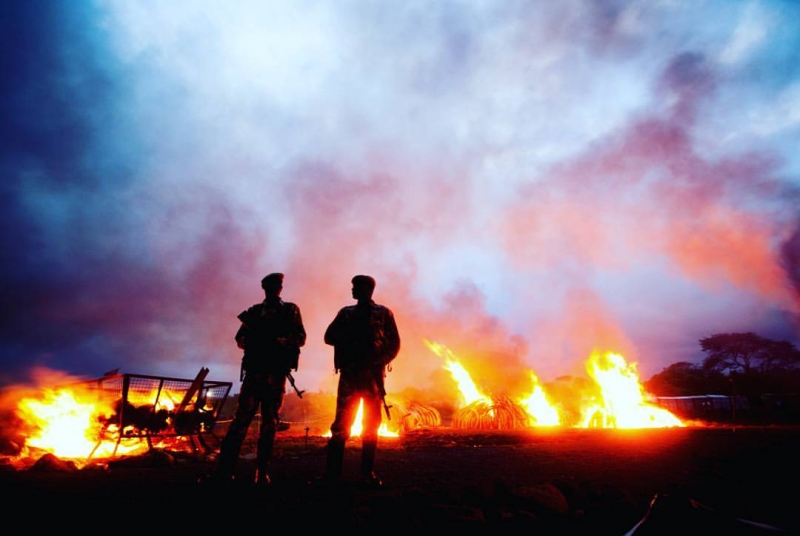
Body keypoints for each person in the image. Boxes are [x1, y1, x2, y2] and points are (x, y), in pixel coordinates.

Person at [214, 272, 306, 486]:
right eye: (270, 285)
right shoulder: (254, 313)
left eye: (277, 285)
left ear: (280, 288)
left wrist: (280, 342)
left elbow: (300, 338)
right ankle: (225, 471)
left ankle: (262, 473)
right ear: (264, 288)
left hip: (275, 374)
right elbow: (240, 338)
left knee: (269, 424)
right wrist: (252, 342)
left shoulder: (290, 310)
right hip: (255, 374)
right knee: (240, 422)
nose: (274, 289)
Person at [322, 274, 400, 486]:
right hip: (350, 377)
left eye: (356, 287)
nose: (352, 290)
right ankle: (332, 475)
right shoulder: (346, 314)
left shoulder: (383, 313)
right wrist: (351, 341)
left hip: (372, 379)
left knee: (371, 426)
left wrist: (380, 360)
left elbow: (394, 343)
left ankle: (367, 474)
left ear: (367, 290)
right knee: (340, 426)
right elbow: (329, 336)